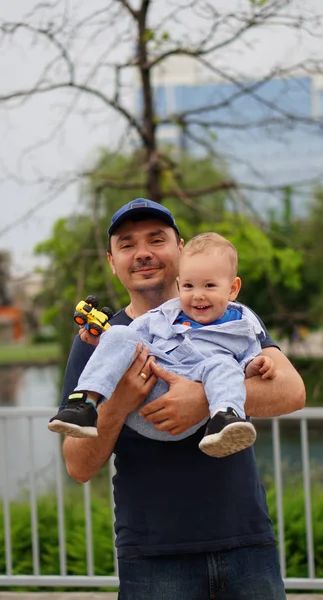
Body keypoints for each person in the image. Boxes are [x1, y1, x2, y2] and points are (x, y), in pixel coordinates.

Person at [60, 198, 306, 599]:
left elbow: (293, 392)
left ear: (180, 248)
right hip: (153, 556)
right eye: (126, 245)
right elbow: (77, 465)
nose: (142, 253)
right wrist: (121, 402)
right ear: (111, 261)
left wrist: (204, 398)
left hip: (246, 543)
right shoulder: (100, 342)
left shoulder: (231, 317)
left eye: (156, 240)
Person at [49, 233, 276, 459]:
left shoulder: (243, 324)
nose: (198, 296)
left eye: (209, 286)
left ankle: (224, 418)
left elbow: (256, 365)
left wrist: (252, 367)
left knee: (223, 363)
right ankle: (85, 405)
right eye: (188, 286)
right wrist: (103, 343)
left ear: (233, 289)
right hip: (152, 389)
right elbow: (126, 339)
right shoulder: (166, 313)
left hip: (200, 395)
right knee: (120, 333)